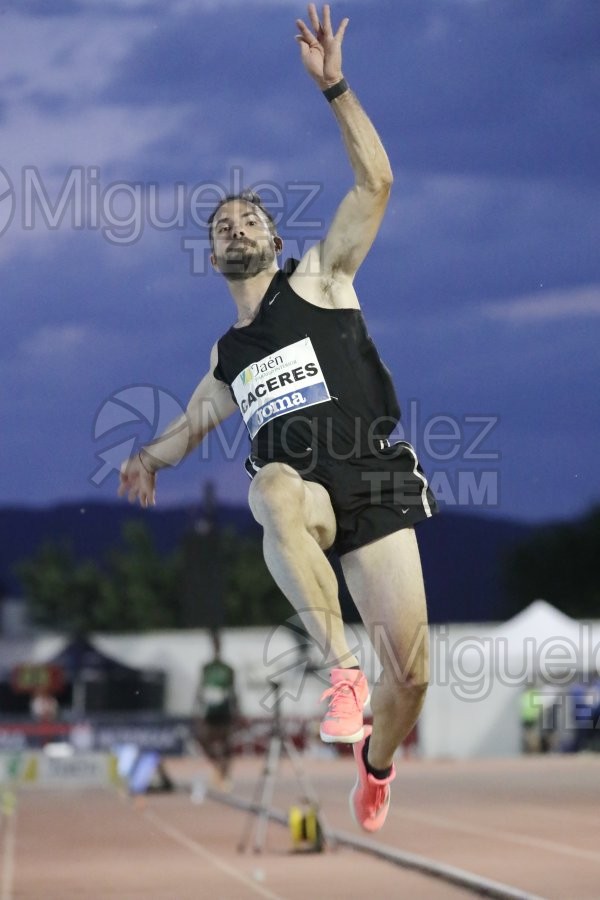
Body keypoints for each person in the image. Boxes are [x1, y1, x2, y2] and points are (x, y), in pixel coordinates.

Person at [119, 3, 437, 832]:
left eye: (248, 217)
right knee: (273, 490)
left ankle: (375, 764)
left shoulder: (323, 277)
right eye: (221, 226)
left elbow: (378, 183)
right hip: (308, 497)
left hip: (373, 477)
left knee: (415, 678)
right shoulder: (228, 358)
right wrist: (150, 459)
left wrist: (334, 85)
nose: (235, 227)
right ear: (214, 255)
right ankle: (341, 674)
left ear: (271, 233)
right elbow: (189, 428)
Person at [193, 630, 239, 790]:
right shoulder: (206, 668)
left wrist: (237, 712)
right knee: (204, 740)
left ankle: (225, 776)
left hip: (224, 710)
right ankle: (217, 768)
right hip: (210, 711)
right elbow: (200, 690)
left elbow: (234, 691)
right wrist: (196, 711)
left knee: (226, 744)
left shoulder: (228, 669)